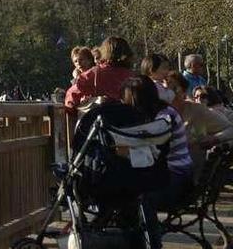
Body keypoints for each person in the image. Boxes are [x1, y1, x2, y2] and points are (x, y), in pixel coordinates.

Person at [121, 76, 192, 249]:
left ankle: (151, 243)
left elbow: (151, 152)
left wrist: (124, 151)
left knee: (139, 197)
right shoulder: (165, 112)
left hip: (176, 179)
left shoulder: (162, 119)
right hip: (180, 175)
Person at [163, 71, 233, 177]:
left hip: (186, 173)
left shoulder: (197, 111)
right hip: (160, 170)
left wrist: (214, 139)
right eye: (165, 89)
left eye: (174, 88)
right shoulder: (157, 114)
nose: (169, 93)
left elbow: (230, 129)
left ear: (184, 91)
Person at [65, 36, 135, 110]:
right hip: (131, 119)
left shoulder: (94, 73)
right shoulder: (133, 76)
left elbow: (71, 96)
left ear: (104, 52)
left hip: (104, 119)